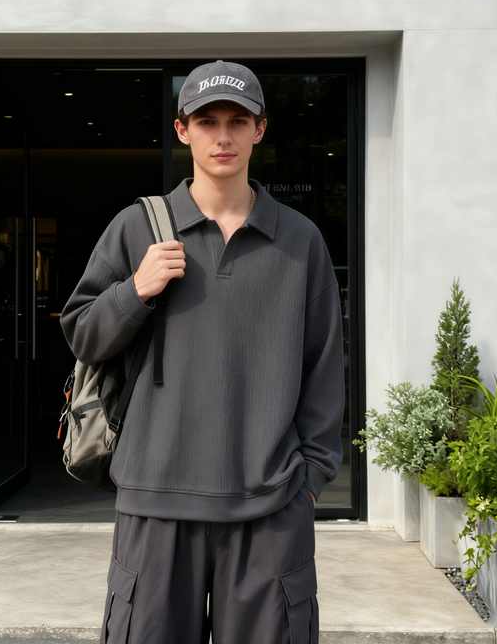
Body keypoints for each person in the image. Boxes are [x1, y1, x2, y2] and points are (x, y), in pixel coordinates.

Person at [59, 59, 345, 644]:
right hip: (154, 505)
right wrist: (135, 290)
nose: (223, 136)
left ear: (259, 130)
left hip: (270, 508)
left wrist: (311, 479)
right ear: (182, 130)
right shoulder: (136, 229)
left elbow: (323, 367)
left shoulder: (300, 241)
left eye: (237, 121)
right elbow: (82, 333)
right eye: (207, 121)